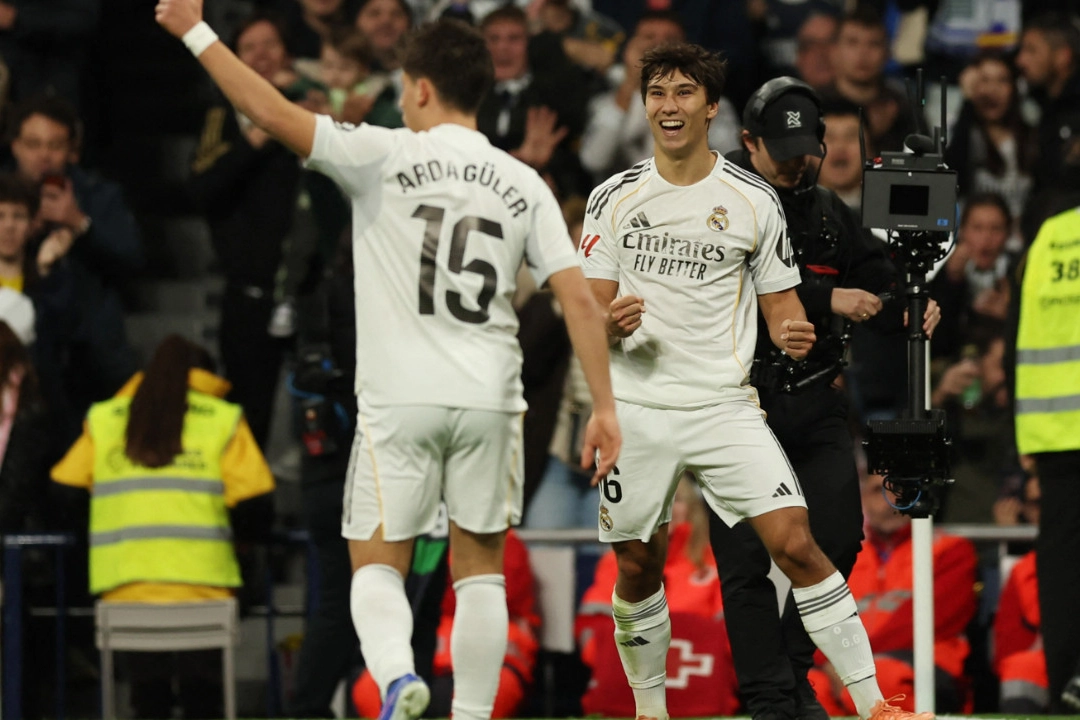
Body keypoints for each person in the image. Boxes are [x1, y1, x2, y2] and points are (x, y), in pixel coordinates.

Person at [154, 8, 621, 720]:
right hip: (491, 399)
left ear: (423, 88)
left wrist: (195, 30)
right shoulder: (523, 181)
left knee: (374, 563)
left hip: (401, 399)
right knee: (480, 574)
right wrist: (607, 409)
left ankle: (398, 677)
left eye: (403, 87)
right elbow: (581, 302)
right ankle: (471, 715)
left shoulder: (380, 153)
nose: (400, 101)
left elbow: (266, 110)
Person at [578, 43, 932, 720]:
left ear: (712, 108)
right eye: (657, 93)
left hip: (724, 406)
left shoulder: (753, 200)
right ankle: (651, 711)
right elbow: (588, 310)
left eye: (684, 93)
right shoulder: (613, 197)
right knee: (638, 565)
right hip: (639, 407)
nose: (669, 106)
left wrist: (792, 330)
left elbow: (781, 306)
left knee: (798, 542)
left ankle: (874, 705)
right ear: (645, 104)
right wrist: (609, 324)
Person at [708, 76, 940, 720]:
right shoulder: (717, 202)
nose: (797, 164)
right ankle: (769, 701)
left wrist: (911, 303)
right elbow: (728, 283)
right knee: (746, 560)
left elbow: (876, 278)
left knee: (838, 537)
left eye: (806, 151)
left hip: (814, 400)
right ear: (749, 141)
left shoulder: (829, 210)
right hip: (737, 406)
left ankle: (790, 672)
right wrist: (825, 297)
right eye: (782, 153)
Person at [50, 334, 276, 719]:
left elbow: (63, 495)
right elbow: (257, 507)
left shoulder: (104, 419)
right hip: (206, 595)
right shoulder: (222, 420)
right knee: (203, 700)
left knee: (148, 698)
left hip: (124, 595)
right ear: (206, 376)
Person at [189, 10, 304, 449]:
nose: (261, 55)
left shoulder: (310, 105)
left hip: (310, 294)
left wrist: (293, 109)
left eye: (270, 44)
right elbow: (202, 187)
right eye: (249, 48)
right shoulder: (222, 115)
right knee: (246, 422)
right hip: (249, 296)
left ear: (288, 54)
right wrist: (259, 134)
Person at [806, 471, 979, 716]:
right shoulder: (842, 554)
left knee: (886, 679)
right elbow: (816, 618)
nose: (891, 500)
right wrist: (837, 664)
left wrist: (851, 665)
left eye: (900, 489)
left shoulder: (950, 549)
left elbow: (926, 622)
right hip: (845, 666)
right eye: (879, 490)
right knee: (812, 686)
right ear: (862, 498)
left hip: (923, 664)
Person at [1012, 205, 1080, 712]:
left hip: (1053, 427)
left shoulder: (1052, 235)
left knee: (1061, 569)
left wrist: (1025, 437)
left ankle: (1064, 688)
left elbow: (1020, 331)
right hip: (1053, 429)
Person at [1014, 12, 1080, 242]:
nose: (1020, 61)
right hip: (1042, 236)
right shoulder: (1038, 104)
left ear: (1063, 56)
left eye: (1032, 50)